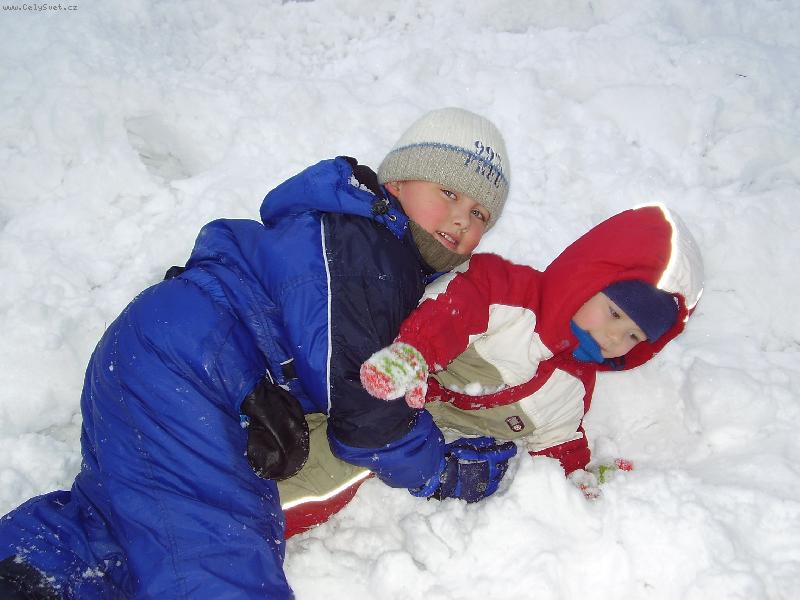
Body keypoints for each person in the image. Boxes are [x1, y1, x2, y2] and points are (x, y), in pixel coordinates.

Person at [0, 107, 514, 599]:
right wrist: (439, 469)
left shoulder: (351, 235)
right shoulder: (370, 251)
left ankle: (25, 572)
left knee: (121, 523)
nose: (460, 220)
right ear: (398, 182)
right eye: (447, 192)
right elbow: (366, 410)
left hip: (166, 348)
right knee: (218, 561)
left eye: (479, 215)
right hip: (193, 368)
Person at [277, 203, 704, 536]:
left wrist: (574, 478)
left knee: (334, 469)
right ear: (587, 279)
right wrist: (415, 353)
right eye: (613, 314)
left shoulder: (573, 387)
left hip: (409, 438)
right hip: (387, 374)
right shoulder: (509, 292)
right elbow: (454, 307)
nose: (615, 339)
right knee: (307, 410)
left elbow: (559, 438)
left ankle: (257, 516)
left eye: (632, 337)